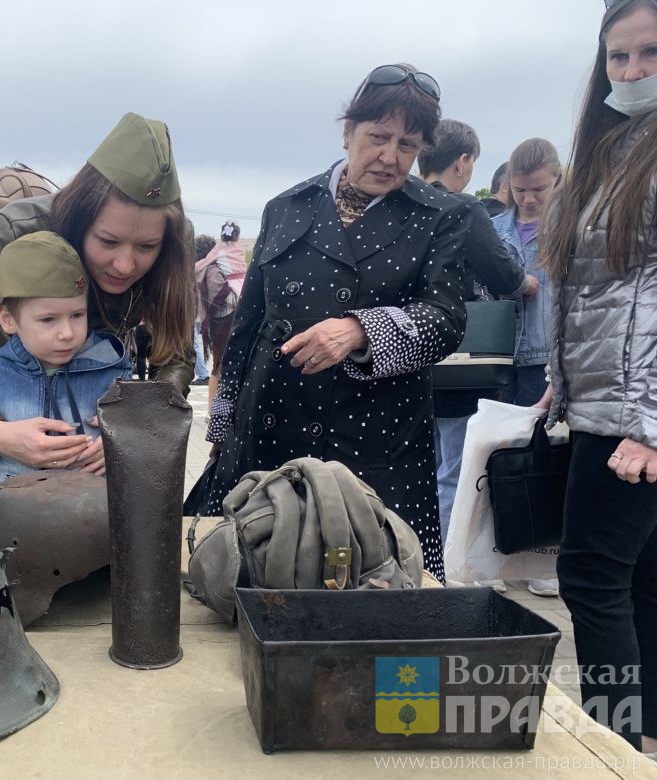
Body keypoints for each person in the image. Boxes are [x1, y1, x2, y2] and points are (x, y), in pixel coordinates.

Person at [193, 64, 469, 582]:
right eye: (377, 137)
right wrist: (223, 428)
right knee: (266, 576)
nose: (389, 157)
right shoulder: (286, 208)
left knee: (377, 593)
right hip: (274, 432)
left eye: (407, 145)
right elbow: (247, 329)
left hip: (377, 443)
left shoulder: (441, 216)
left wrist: (362, 329)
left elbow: (448, 319)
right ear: (348, 132)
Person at [0, 112, 194, 480]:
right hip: (6, 444)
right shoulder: (10, 233)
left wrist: (140, 422)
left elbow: (177, 357)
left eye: (147, 247)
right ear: (80, 217)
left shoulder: (175, 242)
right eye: (108, 241)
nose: (125, 264)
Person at [537, 0, 657, 755]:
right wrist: (564, 382)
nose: (633, 71)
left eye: (650, 53)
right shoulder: (612, 149)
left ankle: (612, 746)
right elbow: (594, 293)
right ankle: (640, 744)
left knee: (590, 578)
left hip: (634, 417)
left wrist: (649, 422)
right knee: (638, 580)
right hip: (602, 404)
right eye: (618, 56)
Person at [417, 119, 533, 545]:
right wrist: (528, 283)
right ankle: (444, 561)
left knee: (419, 468)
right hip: (460, 362)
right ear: (463, 162)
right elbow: (504, 274)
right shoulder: (464, 209)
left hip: (401, 362)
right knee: (453, 472)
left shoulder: (400, 205)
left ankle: (414, 552)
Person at [0, 231, 132, 511]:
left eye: (77, 315)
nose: (66, 333)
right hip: (7, 528)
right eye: (48, 319)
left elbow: (137, 446)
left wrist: (122, 442)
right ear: (8, 319)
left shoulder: (113, 369)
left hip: (94, 524)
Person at [493, 138, 562, 407]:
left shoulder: (571, 227)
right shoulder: (493, 230)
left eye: (539, 189)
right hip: (498, 355)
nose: (528, 198)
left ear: (557, 177)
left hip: (545, 357)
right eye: (519, 189)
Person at [196, 220, 246, 407]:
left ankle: (213, 409)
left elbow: (204, 265)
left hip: (224, 312)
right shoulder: (240, 247)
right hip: (242, 293)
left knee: (218, 365)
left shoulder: (216, 253)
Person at [191, 233, 215, 386]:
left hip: (195, 312)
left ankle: (203, 373)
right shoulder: (214, 266)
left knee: (193, 343)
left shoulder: (196, 268)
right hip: (211, 313)